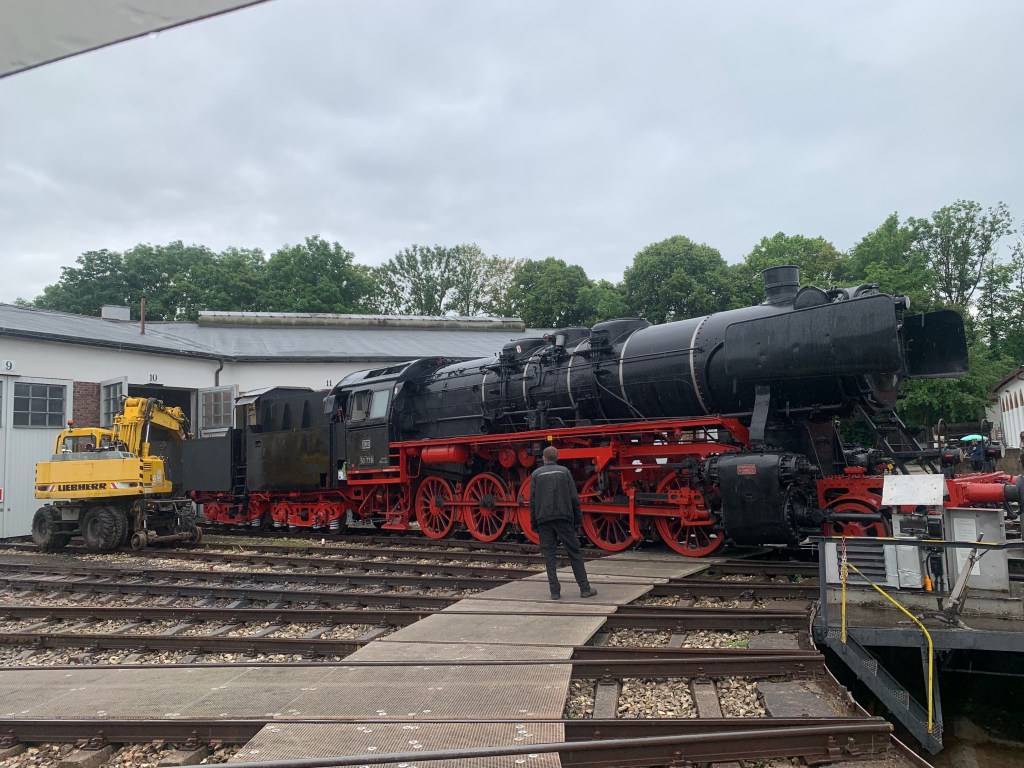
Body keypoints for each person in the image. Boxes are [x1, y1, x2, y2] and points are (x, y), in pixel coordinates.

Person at [529, 445, 597, 600]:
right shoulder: (564, 472)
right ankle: (584, 589)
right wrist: (578, 521)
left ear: (544, 458)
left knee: (549, 556)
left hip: (544, 520)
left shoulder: (536, 474)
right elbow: (574, 498)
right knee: (574, 553)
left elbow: (532, 502)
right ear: (557, 458)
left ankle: (555, 592)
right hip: (564, 518)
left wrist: (534, 523)